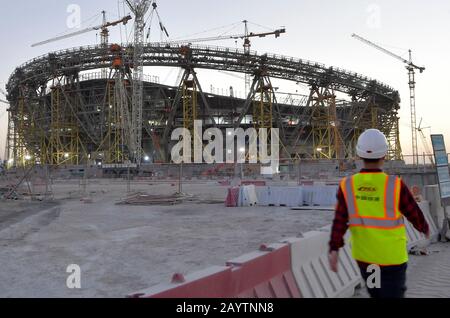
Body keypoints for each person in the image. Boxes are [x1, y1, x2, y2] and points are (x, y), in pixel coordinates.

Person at [328, 129, 430, 298]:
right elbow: (414, 213)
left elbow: (340, 221)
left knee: (376, 293)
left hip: (366, 260)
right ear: (384, 155)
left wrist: (334, 248)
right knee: (392, 294)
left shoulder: (348, 185)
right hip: (393, 259)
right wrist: (424, 228)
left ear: (359, 155)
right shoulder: (395, 185)